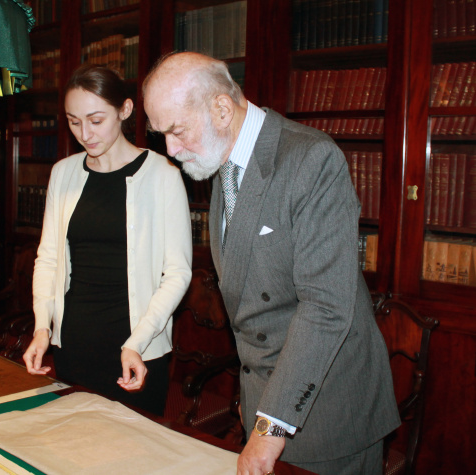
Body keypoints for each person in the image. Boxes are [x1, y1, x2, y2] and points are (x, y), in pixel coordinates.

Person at [143, 52, 400, 475]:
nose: (170, 149)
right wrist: (257, 403)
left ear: (222, 109)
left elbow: (325, 308)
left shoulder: (312, 159)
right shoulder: (218, 161)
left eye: (176, 130)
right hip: (267, 405)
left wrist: (269, 428)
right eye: (161, 135)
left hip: (327, 414)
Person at [22, 64, 192, 416]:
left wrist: (137, 343)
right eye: (73, 121)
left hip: (135, 350)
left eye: (96, 120)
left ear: (125, 110)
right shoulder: (63, 173)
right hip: (74, 342)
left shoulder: (163, 176)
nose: (85, 133)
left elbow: (177, 273)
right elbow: (49, 259)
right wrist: (42, 327)